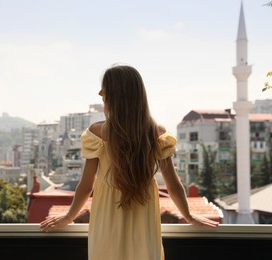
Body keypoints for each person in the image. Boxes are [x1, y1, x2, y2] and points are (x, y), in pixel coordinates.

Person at [40, 64, 219, 260]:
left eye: (105, 87)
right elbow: (173, 184)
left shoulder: (97, 133)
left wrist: (68, 217)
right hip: (144, 222)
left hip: (106, 219)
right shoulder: (156, 133)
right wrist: (189, 215)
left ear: (118, 94)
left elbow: (85, 186)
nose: (100, 93)